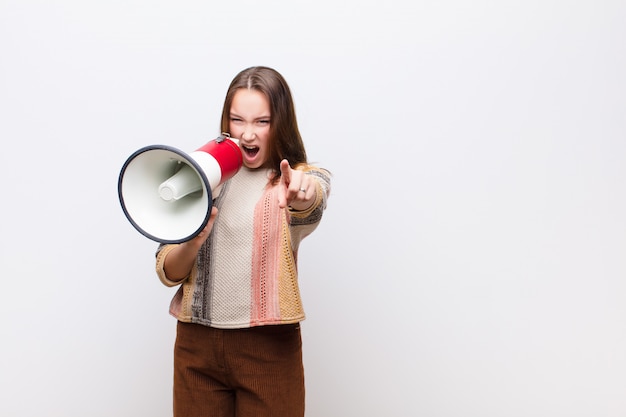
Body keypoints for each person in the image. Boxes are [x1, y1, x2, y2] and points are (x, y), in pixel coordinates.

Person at [155, 66, 331, 417]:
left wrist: (302, 192)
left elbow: (312, 201)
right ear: (227, 121)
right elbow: (167, 272)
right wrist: (193, 242)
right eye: (238, 120)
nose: (248, 133)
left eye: (262, 122)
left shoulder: (295, 178)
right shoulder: (202, 175)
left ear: (280, 122)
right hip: (196, 347)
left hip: (267, 350)